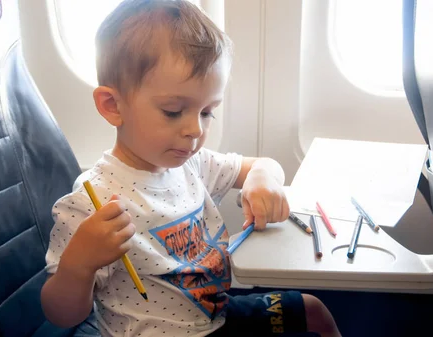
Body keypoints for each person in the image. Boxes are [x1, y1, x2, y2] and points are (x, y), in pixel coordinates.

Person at [40, 1, 341, 336]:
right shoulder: (90, 202)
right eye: (173, 111)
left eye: (207, 112)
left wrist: (262, 179)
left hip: (216, 314)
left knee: (314, 312)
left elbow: (259, 165)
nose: (195, 130)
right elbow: (61, 314)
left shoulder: (192, 164)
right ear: (113, 106)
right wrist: (79, 265)